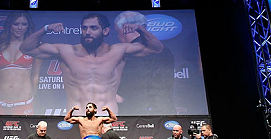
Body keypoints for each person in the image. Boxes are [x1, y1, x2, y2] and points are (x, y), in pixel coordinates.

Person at [19, 12, 164, 116]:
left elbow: (156, 48)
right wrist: (45, 29)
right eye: (84, 28)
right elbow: (26, 48)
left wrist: (139, 29)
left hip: (107, 118)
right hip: (76, 118)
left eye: (93, 28)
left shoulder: (119, 51)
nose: (87, 32)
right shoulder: (66, 51)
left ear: (106, 31)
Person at [113, 11, 175, 115]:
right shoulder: (164, 50)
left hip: (134, 114)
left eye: (117, 32)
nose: (118, 37)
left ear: (124, 28)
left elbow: (132, 89)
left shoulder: (128, 54)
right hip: (165, 112)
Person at [0, 11, 41, 114]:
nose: (20, 28)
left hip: (23, 103)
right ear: (9, 25)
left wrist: (31, 96)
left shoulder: (34, 48)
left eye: (24, 24)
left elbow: (35, 76)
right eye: (16, 24)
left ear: (28, 26)